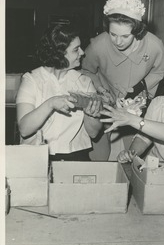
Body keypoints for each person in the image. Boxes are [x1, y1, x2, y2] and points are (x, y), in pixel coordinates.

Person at [81, 0, 164, 160]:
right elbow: (87, 71)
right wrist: (100, 90)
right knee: (99, 159)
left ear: (137, 30)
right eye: (113, 34)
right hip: (105, 104)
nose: (118, 42)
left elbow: (159, 71)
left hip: (135, 108)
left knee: (131, 158)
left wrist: (142, 89)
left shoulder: (154, 46)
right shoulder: (98, 46)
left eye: (125, 36)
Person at [16, 24, 103, 162]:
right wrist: (50, 103)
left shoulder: (84, 82)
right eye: (76, 49)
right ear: (59, 53)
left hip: (75, 156)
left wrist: (91, 115)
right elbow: (24, 129)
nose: (82, 52)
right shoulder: (32, 80)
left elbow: (93, 133)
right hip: (36, 156)